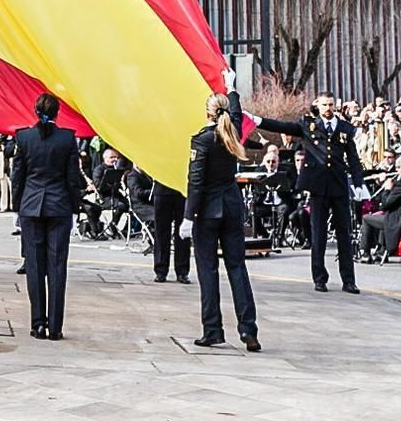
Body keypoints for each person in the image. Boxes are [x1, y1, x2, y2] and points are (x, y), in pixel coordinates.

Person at [254, 92, 367, 293]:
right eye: (324, 105)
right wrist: (258, 121)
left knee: (344, 235)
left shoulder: (344, 129)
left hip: (339, 186)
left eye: (331, 104)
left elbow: (353, 158)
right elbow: (284, 127)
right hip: (318, 187)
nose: (328, 108)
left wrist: (358, 183)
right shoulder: (309, 125)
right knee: (318, 235)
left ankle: (348, 280)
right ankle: (319, 278)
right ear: (318, 106)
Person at [181, 89, 262, 352]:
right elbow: (235, 113)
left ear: (207, 113)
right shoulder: (233, 132)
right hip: (231, 207)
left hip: (207, 212)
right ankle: (248, 328)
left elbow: (196, 181)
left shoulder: (202, 141)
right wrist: (233, 89)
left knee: (208, 271)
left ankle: (213, 329)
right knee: (237, 268)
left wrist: (188, 216)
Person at [12, 92, 84, 340]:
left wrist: (16, 208)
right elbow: (72, 179)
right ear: (57, 112)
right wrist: (75, 208)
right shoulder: (66, 139)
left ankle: (37, 324)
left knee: (34, 266)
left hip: (31, 205)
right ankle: (55, 326)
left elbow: (18, 177)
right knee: (56, 266)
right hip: (59, 206)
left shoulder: (24, 137)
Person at [150, 178, 191, 283]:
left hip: (181, 189)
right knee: (161, 232)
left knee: (182, 234)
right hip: (162, 188)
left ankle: (182, 271)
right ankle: (160, 270)